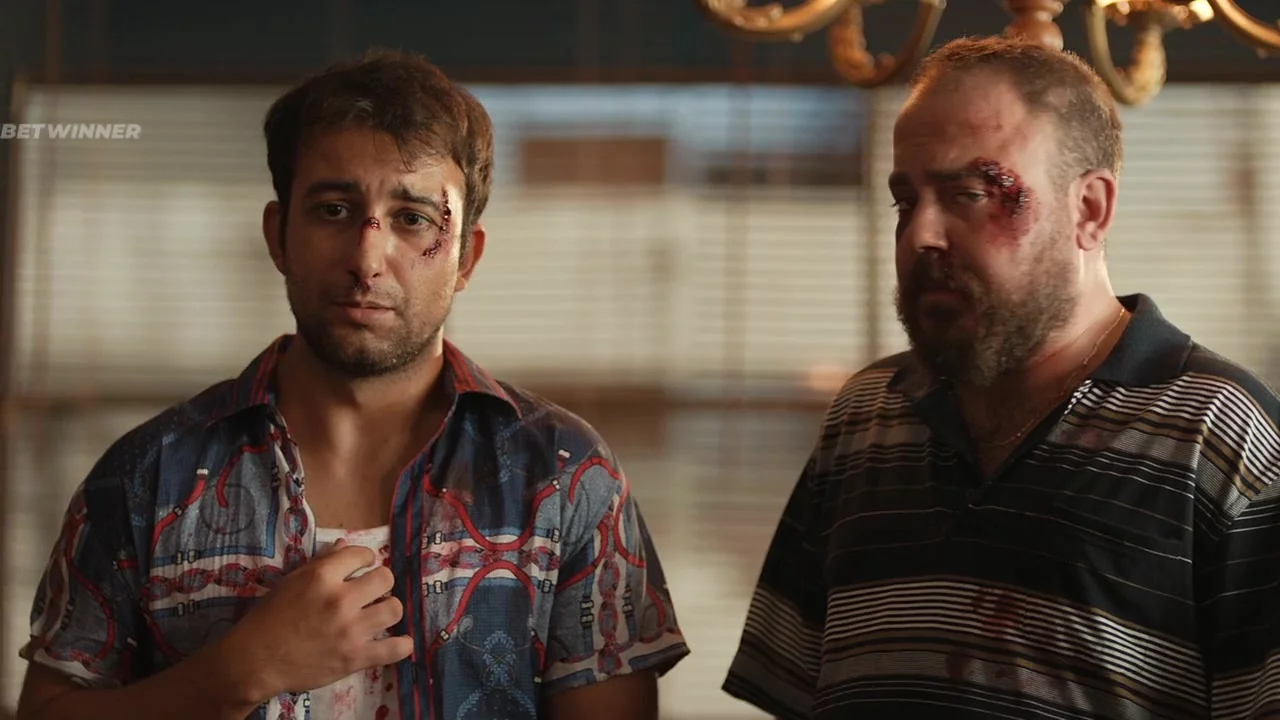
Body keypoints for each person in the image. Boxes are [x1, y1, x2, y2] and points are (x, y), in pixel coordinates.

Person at [15, 49, 689, 720]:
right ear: (279, 236)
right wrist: (238, 673)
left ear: (465, 258)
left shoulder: (565, 478)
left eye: (413, 218)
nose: (367, 259)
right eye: (334, 210)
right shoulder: (146, 476)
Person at [723, 35, 1280, 720]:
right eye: (905, 201)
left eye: (970, 193)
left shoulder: (1223, 436)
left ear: (1090, 210)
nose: (921, 234)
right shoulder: (866, 415)